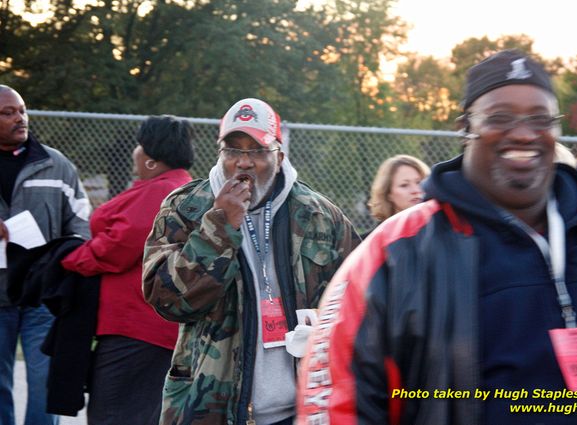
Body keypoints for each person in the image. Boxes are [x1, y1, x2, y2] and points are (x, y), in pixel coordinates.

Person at [297, 50, 577, 425]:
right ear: (464, 128)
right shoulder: (394, 251)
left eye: (540, 118)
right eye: (500, 117)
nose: (524, 133)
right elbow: (334, 402)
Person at [142, 98, 360, 425]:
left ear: (280, 155)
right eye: (233, 150)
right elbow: (166, 300)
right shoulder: (186, 208)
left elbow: (357, 294)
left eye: (257, 151)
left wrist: (321, 328)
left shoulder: (319, 216)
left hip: (301, 410)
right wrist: (219, 227)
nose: (244, 162)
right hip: (211, 409)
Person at [60, 115, 194, 425]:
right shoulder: (177, 187)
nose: (135, 152)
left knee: (113, 414)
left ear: (151, 156)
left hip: (135, 329)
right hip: (148, 329)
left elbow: (119, 247)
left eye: (139, 145)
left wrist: (69, 257)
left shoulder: (158, 193)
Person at [0, 85, 90, 425]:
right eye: (7, 113)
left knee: (43, 380)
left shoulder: (56, 165)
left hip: (43, 295)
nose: (19, 118)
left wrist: (62, 259)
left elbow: (82, 222)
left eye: (21, 110)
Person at [367, 154, 430, 224]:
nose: (415, 190)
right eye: (404, 185)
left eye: (419, 182)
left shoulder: (440, 227)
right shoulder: (376, 234)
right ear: (388, 194)